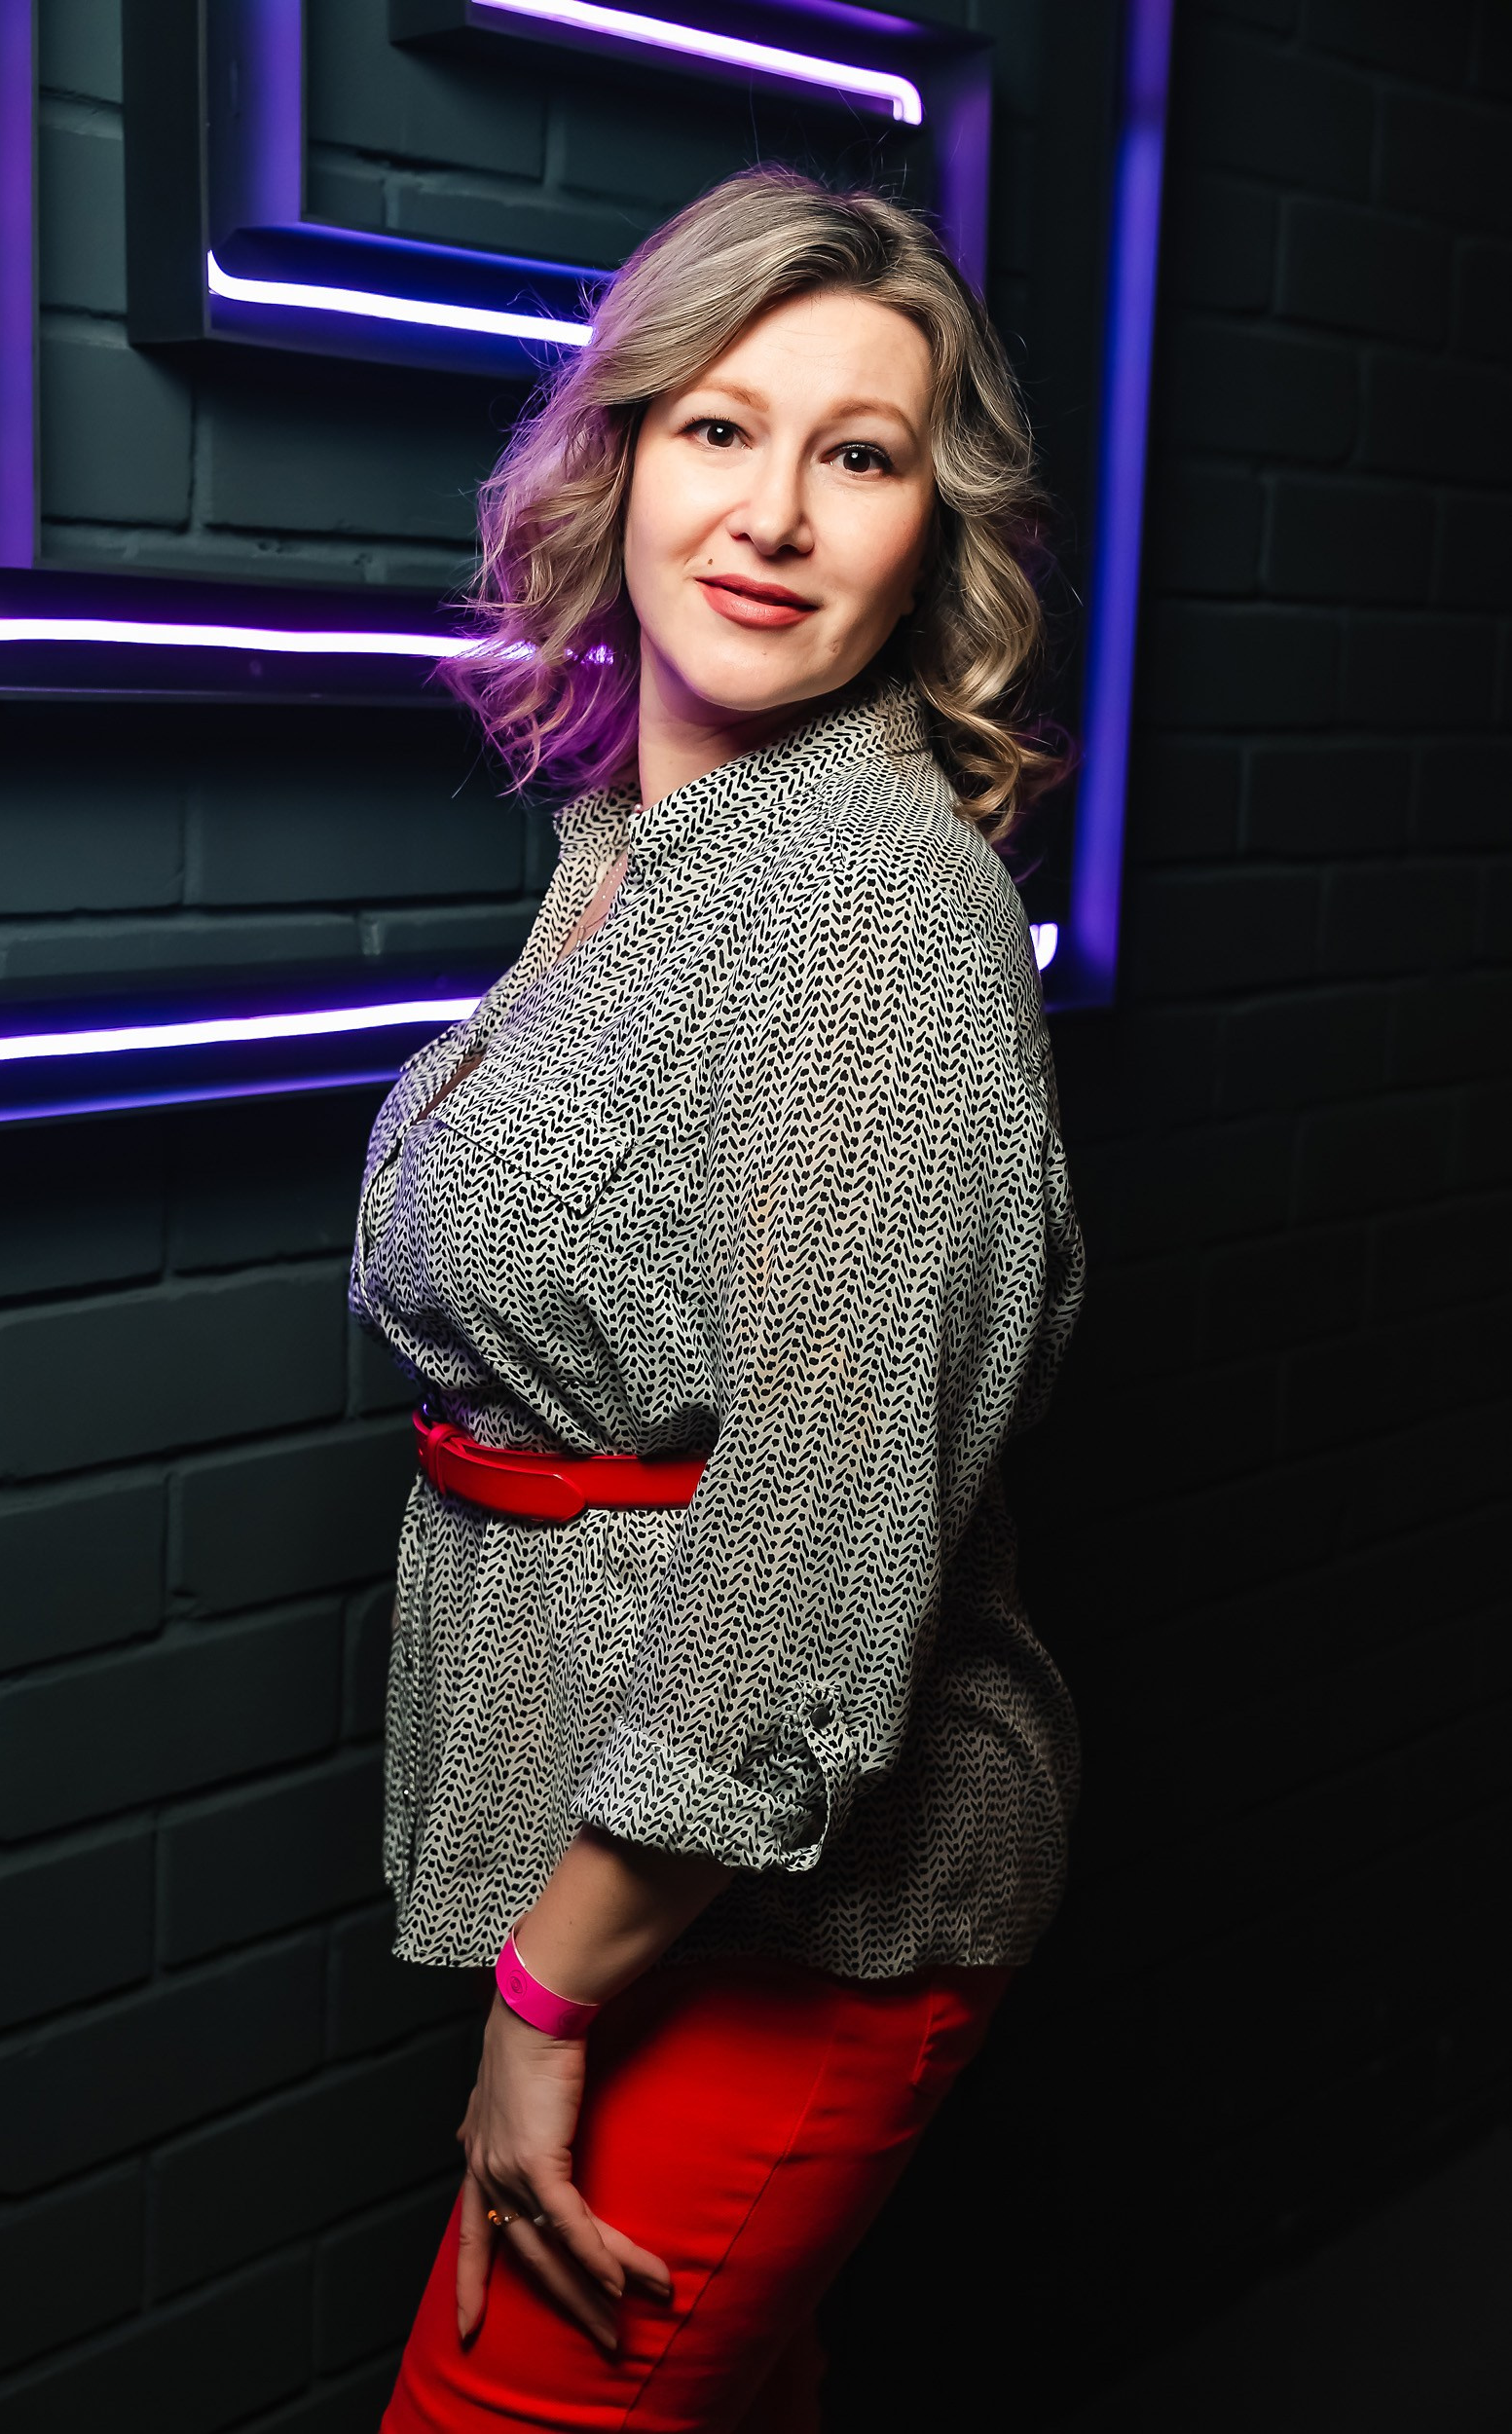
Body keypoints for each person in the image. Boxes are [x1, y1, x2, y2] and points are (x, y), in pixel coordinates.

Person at [349, 164, 1085, 2432]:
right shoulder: (638, 856)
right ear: (623, 457)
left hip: (795, 1916)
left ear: (929, 535)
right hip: (630, 1862)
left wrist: (540, 2005)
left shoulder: (870, 915)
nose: (773, 514)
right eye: (719, 429)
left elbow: (815, 1546)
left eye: (857, 454)